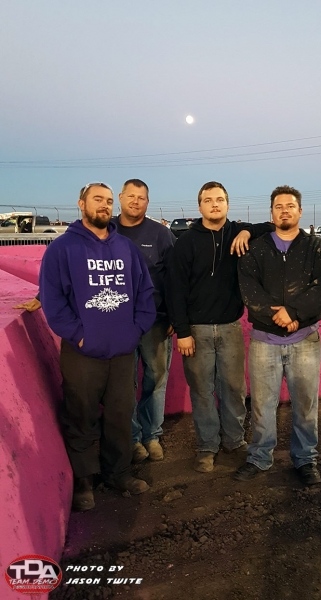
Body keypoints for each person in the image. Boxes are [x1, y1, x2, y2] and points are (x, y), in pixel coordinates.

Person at [39, 183, 156, 511]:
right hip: (82, 353)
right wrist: (79, 335)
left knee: (120, 414)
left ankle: (118, 473)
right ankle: (84, 480)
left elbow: (145, 293)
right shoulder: (62, 249)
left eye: (108, 201)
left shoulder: (126, 248)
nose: (104, 205)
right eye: (97, 200)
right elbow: (53, 300)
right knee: (81, 415)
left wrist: (135, 330)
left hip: (122, 352)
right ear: (81, 204)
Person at [167, 181, 273, 473]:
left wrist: (247, 231)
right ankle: (207, 446)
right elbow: (175, 289)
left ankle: (234, 441)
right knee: (202, 391)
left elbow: (271, 226)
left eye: (219, 200)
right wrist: (182, 331)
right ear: (199, 206)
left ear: (227, 204)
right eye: (208, 200)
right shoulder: (186, 242)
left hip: (230, 327)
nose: (214, 204)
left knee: (235, 389)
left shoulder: (236, 232)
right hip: (196, 330)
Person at [233, 185, 321, 485]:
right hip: (264, 342)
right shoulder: (256, 250)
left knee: (305, 404)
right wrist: (276, 315)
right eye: (279, 206)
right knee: (262, 405)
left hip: (305, 340)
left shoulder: (318, 248)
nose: (284, 210)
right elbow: (249, 290)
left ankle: (305, 459)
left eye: (290, 206)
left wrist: (295, 313)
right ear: (272, 213)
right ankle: (260, 457)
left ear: (300, 211)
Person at [114, 179, 176, 463]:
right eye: (131, 196)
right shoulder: (106, 230)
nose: (135, 201)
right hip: (117, 323)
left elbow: (176, 276)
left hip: (156, 321)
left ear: (147, 202)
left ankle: (152, 435)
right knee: (124, 383)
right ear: (121, 197)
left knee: (156, 379)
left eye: (141, 197)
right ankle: (132, 438)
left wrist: (176, 315)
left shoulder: (161, 234)